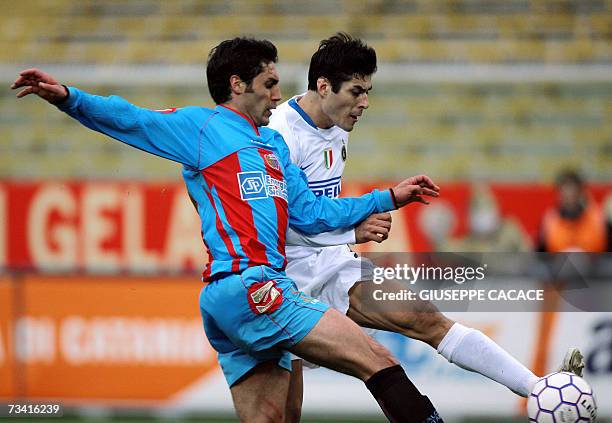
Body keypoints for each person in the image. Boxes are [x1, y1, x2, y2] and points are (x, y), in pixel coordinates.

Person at [12, 38, 446, 423]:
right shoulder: (203, 129)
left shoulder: (273, 144)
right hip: (254, 288)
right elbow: (131, 119)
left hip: (237, 298)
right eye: (269, 84)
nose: (280, 95)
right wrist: (68, 97)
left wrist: (387, 198)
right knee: (376, 359)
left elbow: (312, 214)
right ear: (238, 85)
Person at [267, 33, 585, 421]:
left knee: (423, 317)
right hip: (283, 278)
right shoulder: (279, 133)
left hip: (331, 264)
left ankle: (538, 387)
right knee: (285, 413)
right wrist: (359, 225)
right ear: (322, 86)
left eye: (368, 91)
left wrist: (345, 237)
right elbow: (293, 217)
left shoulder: (337, 124)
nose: (364, 102)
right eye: (356, 91)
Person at [538, 168, 611, 252]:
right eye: (565, 190)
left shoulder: (599, 220)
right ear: (558, 194)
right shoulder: (549, 222)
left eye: (573, 190)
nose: (569, 194)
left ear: (582, 192)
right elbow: (541, 257)